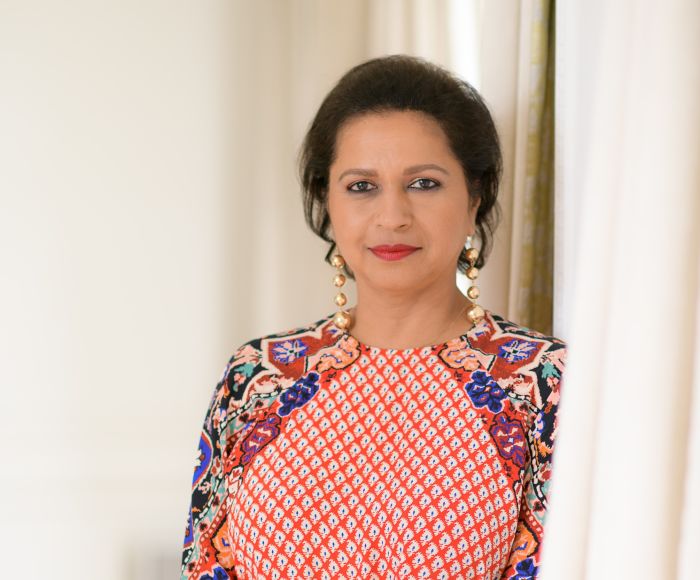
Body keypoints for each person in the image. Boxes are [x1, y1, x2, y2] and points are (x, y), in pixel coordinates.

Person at [180, 54, 566, 580]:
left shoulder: (542, 382)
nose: (392, 216)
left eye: (423, 183)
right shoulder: (257, 377)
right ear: (327, 201)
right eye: (362, 186)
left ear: (474, 198)